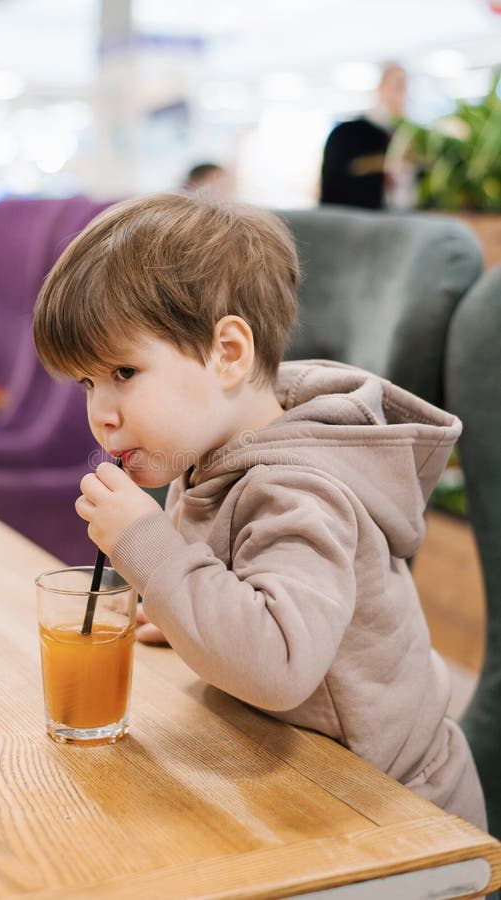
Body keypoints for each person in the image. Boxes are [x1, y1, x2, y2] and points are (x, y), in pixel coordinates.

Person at [33, 193, 486, 831]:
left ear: (228, 353)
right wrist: (194, 606)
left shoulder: (301, 489)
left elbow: (277, 663)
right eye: (87, 383)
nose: (100, 412)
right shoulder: (207, 451)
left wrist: (152, 551)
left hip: (394, 819)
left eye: (124, 371)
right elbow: (260, 606)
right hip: (304, 782)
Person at [320, 63, 411, 209]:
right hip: (358, 220)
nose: (403, 95)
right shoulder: (347, 134)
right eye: (398, 87)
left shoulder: (409, 137)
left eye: (406, 88)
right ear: (380, 88)